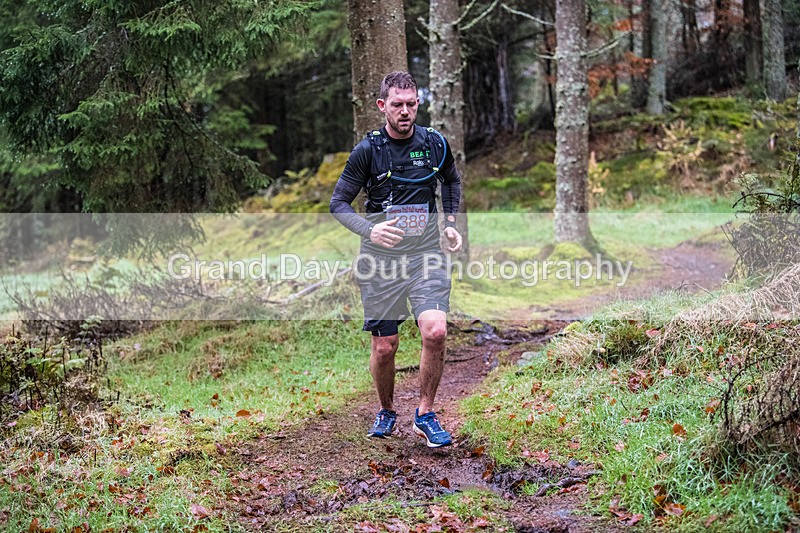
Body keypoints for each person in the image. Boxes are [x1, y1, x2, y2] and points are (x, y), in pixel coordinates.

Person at [329, 71, 462, 448]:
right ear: (382, 106)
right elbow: (337, 203)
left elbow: (451, 181)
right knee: (385, 346)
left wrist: (450, 223)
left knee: (435, 331)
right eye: (398, 105)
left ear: (418, 104)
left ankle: (426, 413)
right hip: (381, 261)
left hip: (425, 256)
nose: (405, 112)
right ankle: (387, 408)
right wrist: (369, 230)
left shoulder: (435, 144)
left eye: (411, 104)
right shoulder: (368, 150)